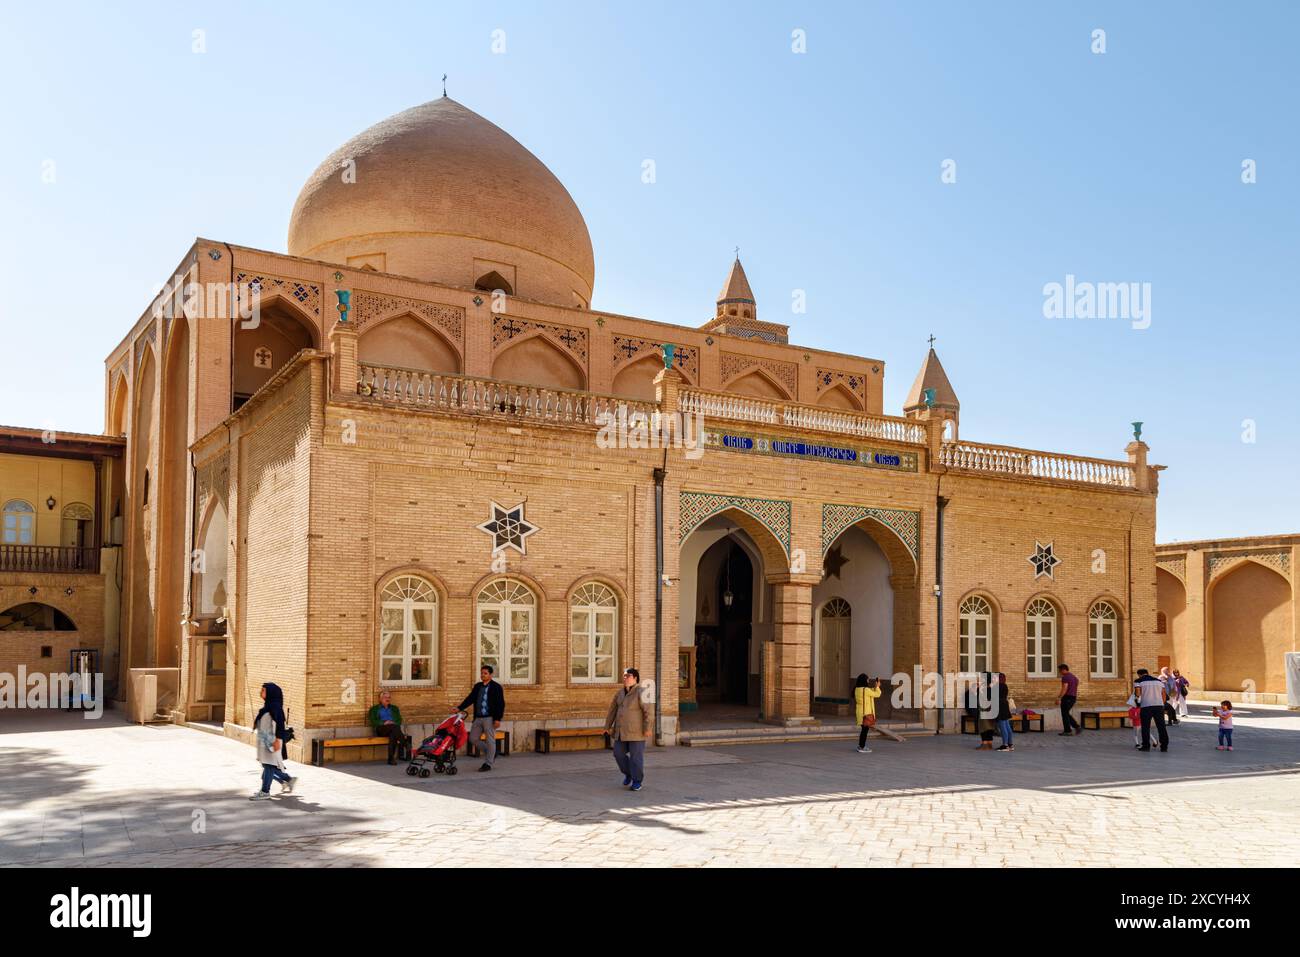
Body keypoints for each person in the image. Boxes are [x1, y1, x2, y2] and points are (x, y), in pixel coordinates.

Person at [604, 667, 652, 791]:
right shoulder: (619, 693)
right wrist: (607, 726)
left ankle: (637, 781)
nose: (625, 678)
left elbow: (649, 712)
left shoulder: (642, 692)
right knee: (618, 754)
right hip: (620, 731)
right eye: (624, 676)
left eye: (628, 676)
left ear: (635, 678)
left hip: (636, 731)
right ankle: (629, 774)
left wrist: (648, 728)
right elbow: (612, 710)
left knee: (636, 757)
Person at [251, 682, 296, 800]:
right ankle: (287, 779)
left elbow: (280, 724)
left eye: (263, 690)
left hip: (272, 740)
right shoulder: (268, 706)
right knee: (267, 765)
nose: (260, 692)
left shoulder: (275, 707)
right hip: (266, 740)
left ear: (271, 693)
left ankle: (265, 791)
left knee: (269, 766)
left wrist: (277, 740)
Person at [457, 665, 505, 772]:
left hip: (490, 718)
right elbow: (470, 698)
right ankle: (491, 753)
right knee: (473, 738)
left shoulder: (496, 687)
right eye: (482, 673)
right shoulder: (478, 686)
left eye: (485, 673)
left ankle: (488, 763)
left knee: (490, 740)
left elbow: (500, 704)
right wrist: (459, 708)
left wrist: (498, 719)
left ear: (491, 675)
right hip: (478, 718)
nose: (483, 675)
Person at [367, 689, 409, 765]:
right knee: (395, 728)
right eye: (385, 697)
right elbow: (373, 721)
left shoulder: (394, 708)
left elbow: (399, 720)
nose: (387, 699)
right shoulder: (374, 709)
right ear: (380, 699)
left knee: (393, 735)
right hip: (381, 729)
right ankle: (404, 743)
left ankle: (391, 759)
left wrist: (393, 722)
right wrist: (384, 723)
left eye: (389, 697)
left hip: (393, 729)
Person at [1134, 668, 1169, 752]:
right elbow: (1164, 694)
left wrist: (1137, 699)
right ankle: (1164, 746)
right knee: (1161, 726)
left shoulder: (1138, 681)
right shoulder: (1158, 681)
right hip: (1159, 706)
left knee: (1145, 727)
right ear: (1147, 673)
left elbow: (1138, 694)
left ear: (1139, 674)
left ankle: (1146, 746)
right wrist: (1162, 704)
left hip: (1146, 706)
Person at [966, 672, 996, 751]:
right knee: (989, 727)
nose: (980, 679)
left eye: (981, 678)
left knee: (983, 727)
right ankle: (989, 744)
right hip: (991, 710)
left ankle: (984, 744)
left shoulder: (983, 689)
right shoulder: (992, 688)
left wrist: (974, 692)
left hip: (984, 710)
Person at [854, 673, 882, 753]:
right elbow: (877, 694)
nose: (868, 680)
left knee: (864, 730)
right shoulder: (865, 690)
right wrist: (877, 687)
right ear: (864, 680)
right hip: (866, 714)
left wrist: (875, 687)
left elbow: (870, 692)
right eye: (867, 679)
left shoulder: (857, 689)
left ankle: (861, 746)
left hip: (860, 713)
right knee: (864, 731)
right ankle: (861, 747)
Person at [1057, 663, 1082, 736]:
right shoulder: (1074, 677)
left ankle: (1068, 731)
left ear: (1063, 670)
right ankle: (1076, 727)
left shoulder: (1065, 677)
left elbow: (1064, 688)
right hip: (1073, 698)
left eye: (1060, 671)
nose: (1060, 672)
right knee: (1066, 713)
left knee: (1064, 714)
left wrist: (1059, 698)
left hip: (1067, 697)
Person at [994, 672, 1015, 752]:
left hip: (1000, 706)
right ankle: (1010, 744)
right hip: (1005, 705)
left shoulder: (997, 686)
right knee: (1007, 725)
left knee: (1002, 726)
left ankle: (1005, 745)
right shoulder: (1005, 685)